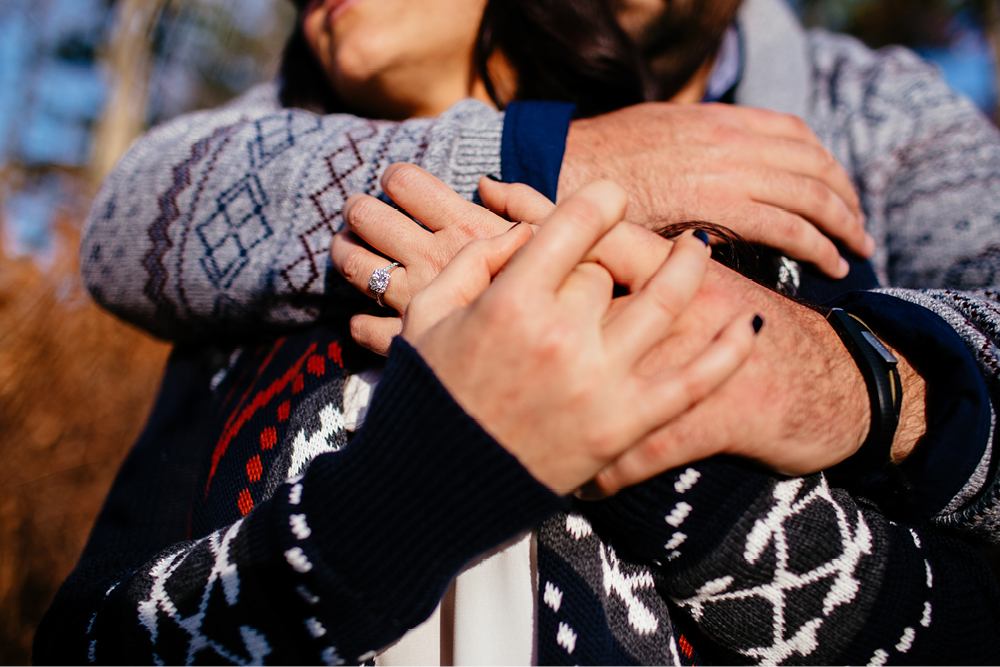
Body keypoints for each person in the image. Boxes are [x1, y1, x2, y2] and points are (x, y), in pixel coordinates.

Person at [37, 0, 1000, 664]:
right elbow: (97, 635)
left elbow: (951, 617)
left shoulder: (782, 218)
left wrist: (647, 446)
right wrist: (423, 484)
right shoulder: (261, 283)